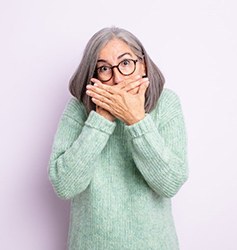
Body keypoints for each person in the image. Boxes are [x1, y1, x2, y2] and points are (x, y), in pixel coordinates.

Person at [48, 26, 188, 250]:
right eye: (104, 68)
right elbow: (65, 186)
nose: (116, 78)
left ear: (142, 64)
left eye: (125, 63)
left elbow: (169, 184)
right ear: (94, 75)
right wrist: (102, 118)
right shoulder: (77, 109)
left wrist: (136, 120)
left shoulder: (167, 104)